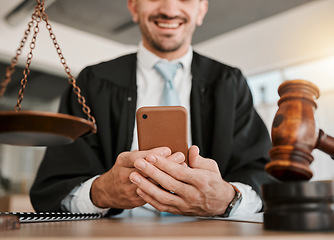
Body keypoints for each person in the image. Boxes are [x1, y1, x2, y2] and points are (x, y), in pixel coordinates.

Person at [30, 0, 274, 217]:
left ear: (201, 10)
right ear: (134, 7)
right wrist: (102, 192)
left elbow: (262, 175)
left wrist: (227, 198)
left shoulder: (230, 83)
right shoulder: (92, 82)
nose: (169, 9)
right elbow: (56, 187)